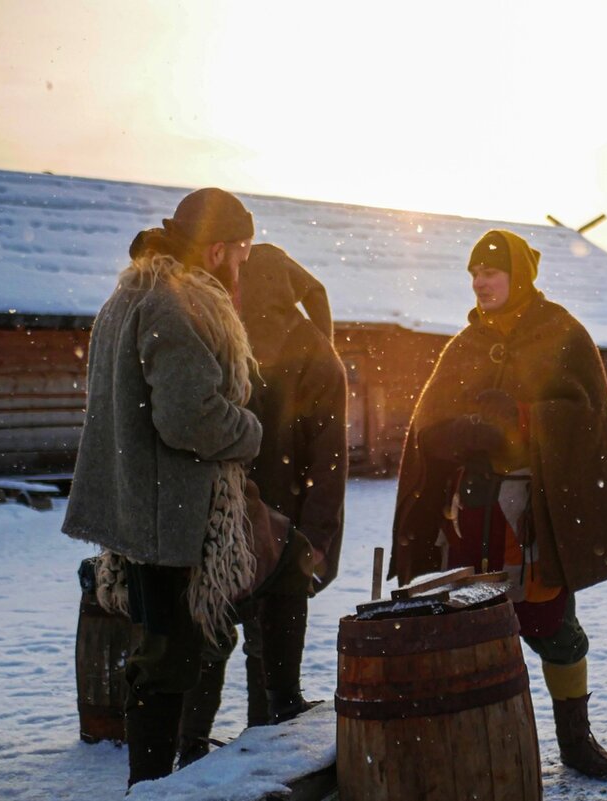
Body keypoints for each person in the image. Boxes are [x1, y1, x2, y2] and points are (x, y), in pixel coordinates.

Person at [62, 189, 312, 787]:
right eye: (242, 251)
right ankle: (156, 784)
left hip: (147, 501)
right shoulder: (177, 303)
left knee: (172, 644)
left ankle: (173, 769)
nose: (245, 264)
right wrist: (250, 428)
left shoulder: (131, 293)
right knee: (170, 651)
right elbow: (188, 416)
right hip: (170, 508)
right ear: (219, 248)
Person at [390, 229, 607, 778]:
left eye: (491, 273)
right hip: (468, 515)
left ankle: (575, 740)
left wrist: (523, 418)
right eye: (474, 273)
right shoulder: (465, 344)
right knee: (465, 631)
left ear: (518, 276)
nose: (479, 282)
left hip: (532, 516)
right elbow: (426, 426)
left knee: (551, 625)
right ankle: (475, 750)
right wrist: (454, 433)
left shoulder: (561, 333)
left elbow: (585, 416)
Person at [177, 243, 348, 766]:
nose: (229, 287)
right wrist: (313, 540)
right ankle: (215, 755)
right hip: (257, 525)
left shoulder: (303, 351)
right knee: (238, 650)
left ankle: (222, 756)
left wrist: (315, 541)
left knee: (229, 646)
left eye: (239, 281)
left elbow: (326, 459)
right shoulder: (233, 337)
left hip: (253, 525)